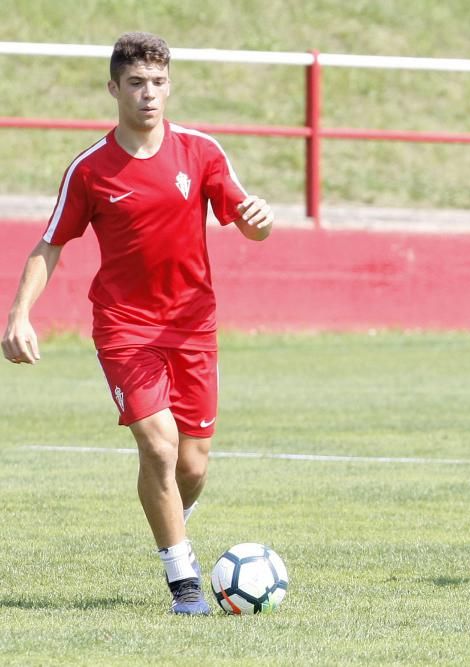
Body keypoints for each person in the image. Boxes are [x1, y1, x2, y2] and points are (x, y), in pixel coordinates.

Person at [1, 32, 274, 614]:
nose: (149, 95)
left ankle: (168, 509)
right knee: (159, 445)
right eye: (136, 84)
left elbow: (247, 222)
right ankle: (185, 585)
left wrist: (260, 220)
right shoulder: (91, 168)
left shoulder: (201, 152)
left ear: (169, 85)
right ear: (114, 88)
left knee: (191, 465)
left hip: (194, 325)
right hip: (125, 328)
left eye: (158, 83)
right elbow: (50, 245)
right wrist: (19, 314)